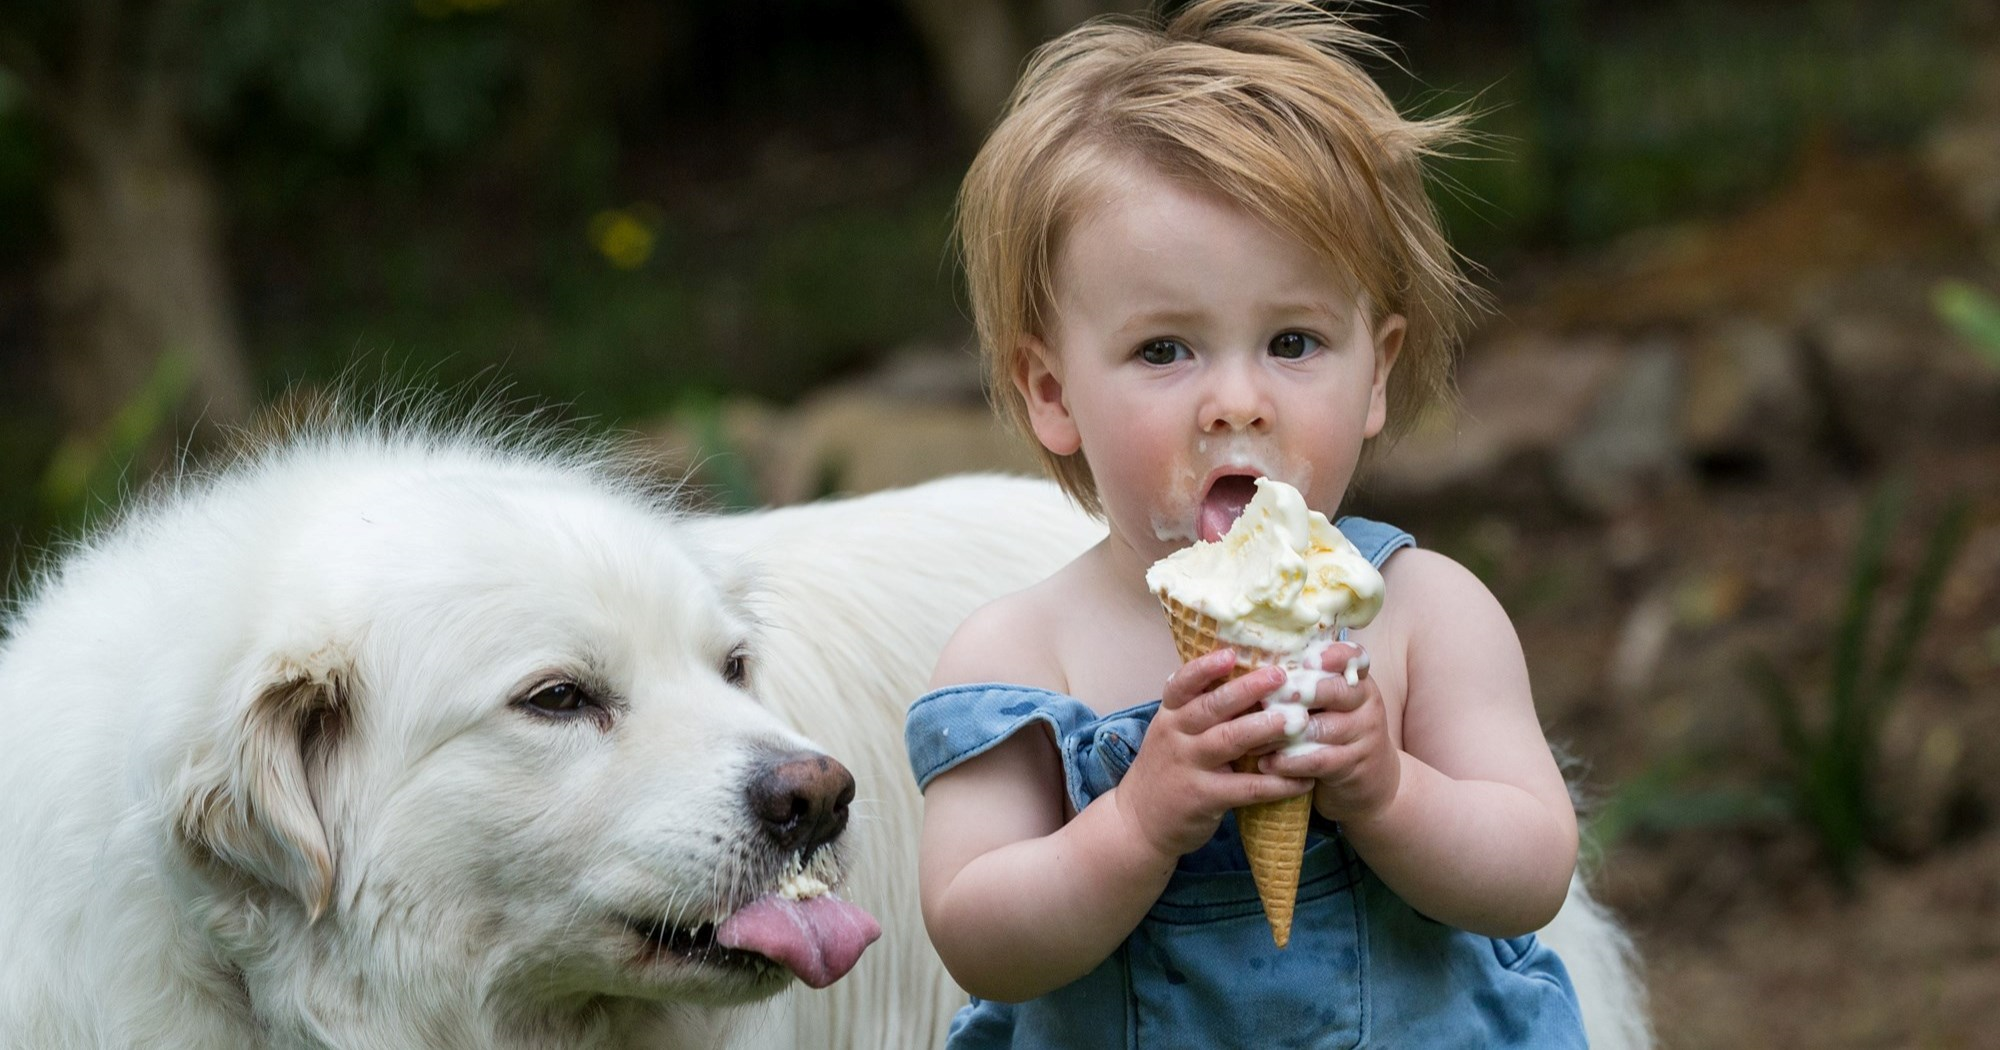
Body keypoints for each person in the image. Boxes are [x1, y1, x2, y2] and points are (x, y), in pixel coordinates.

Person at [903, 1, 1588, 1045]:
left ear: (1376, 375)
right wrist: (1136, 824)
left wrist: (1389, 794)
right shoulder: (1021, 654)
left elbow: (1530, 871)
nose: (1236, 402)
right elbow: (976, 937)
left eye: (1293, 342)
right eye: (1164, 350)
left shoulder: (1424, 615)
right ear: (1051, 392)